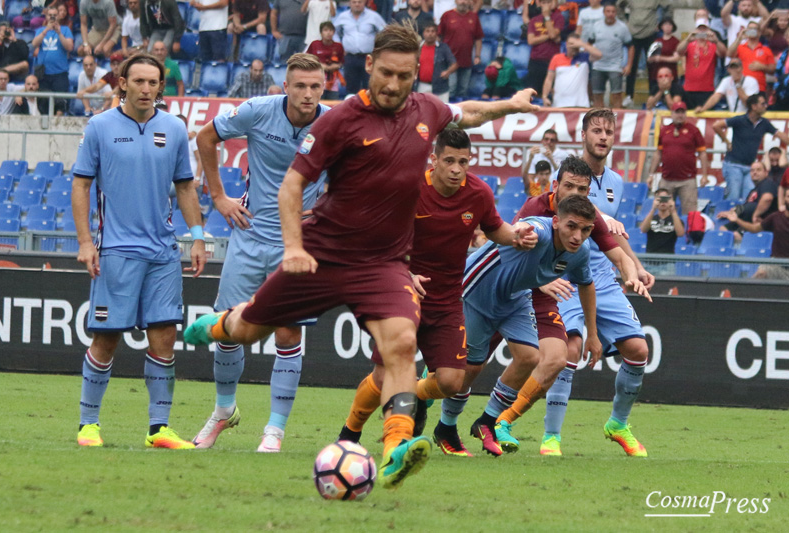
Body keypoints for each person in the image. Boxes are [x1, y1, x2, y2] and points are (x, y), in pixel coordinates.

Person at [184, 24, 541, 489]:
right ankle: (216, 325)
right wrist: (293, 247)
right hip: (323, 255)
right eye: (386, 73)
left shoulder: (428, 110)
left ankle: (395, 449)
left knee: (400, 344)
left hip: (383, 264)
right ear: (369, 65)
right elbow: (293, 184)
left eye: (405, 76)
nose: (393, 85)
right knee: (250, 329)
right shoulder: (339, 120)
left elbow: (466, 114)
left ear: (416, 75)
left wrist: (509, 105)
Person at [336, 128, 536, 451]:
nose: (457, 169)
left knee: (451, 382)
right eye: (449, 161)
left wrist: (516, 235)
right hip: (400, 297)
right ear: (434, 160)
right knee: (384, 375)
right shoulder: (409, 188)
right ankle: (350, 432)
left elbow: (495, 228)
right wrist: (405, 272)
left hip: (446, 303)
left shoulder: (479, 194)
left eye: (463, 162)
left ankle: (411, 394)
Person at [190, 54, 329, 452]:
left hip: (299, 244)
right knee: (228, 330)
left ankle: (275, 430)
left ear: (324, 88)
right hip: (250, 236)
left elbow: (352, 175)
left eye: (314, 86)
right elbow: (205, 137)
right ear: (285, 86)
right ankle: (223, 411)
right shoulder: (257, 111)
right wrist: (218, 197)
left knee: (288, 332)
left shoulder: (333, 124)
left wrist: (324, 208)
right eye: (299, 85)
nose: (306, 93)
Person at [72, 53, 206, 449]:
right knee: (107, 337)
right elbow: (81, 186)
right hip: (116, 250)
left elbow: (185, 186)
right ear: (123, 84)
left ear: (160, 86)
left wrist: (197, 236)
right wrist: (84, 242)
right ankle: (88, 425)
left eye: (154, 83)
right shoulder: (99, 127)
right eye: (140, 82)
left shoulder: (175, 129)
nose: (147, 89)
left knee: (163, 336)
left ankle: (158, 429)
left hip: (164, 253)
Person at [439, 192, 604, 457]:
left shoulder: (580, 253)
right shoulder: (539, 230)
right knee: (469, 369)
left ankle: (487, 421)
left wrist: (593, 334)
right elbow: (525, 228)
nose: (577, 235)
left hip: (515, 297)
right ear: (556, 222)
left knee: (529, 357)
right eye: (571, 226)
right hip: (478, 291)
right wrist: (520, 232)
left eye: (585, 230)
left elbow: (586, 285)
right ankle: (445, 427)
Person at [535, 108, 656, 457]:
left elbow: (613, 233)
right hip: (567, 274)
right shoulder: (569, 178)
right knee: (570, 350)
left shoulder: (617, 182)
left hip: (604, 276)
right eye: (596, 131)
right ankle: (551, 437)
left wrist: (635, 265)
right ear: (584, 135)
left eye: (608, 131)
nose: (603, 137)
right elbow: (571, 212)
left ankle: (618, 423)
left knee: (638, 350)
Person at [713, 93, 789, 200]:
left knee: (749, 198)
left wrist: (727, 142)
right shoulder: (739, 120)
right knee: (733, 198)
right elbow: (716, 126)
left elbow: (781, 136)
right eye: (762, 104)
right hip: (734, 165)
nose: (765, 106)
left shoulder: (764, 123)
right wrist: (726, 141)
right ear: (754, 106)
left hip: (749, 167)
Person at [647, 101, 709, 213]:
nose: (680, 115)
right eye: (677, 112)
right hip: (667, 179)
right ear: (672, 113)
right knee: (663, 212)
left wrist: (704, 175)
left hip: (687, 180)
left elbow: (702, 153)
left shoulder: (693, 130)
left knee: (690, 213)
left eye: (682, 112)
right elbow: (658, 153)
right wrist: (651, 174)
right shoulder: (664, 130)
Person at [617, 0, 672, 108]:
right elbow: (619, 5)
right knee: (631, 66)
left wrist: (662, 23)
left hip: (650, 33)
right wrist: (624, 20)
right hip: (633, 33)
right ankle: (629, 96)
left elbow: (668, 6)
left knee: (652, 67)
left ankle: (653, 96)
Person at [718, 187, 789, 263]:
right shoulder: (775, 217)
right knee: (761, 273)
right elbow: (754, 228)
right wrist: (737, 220)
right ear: (784, 198)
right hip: (777, 263)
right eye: (788, 196)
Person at [582, 3, 632, 109]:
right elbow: (589, 43)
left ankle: (617, 120)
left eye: (613, 12)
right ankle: (598, 121)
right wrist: (591, 56)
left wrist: (629, 65)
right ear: (604, 13)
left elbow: (631, 46)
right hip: (598, 65)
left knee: (617, 95)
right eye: (608, 11)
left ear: (616, 13)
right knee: (597, 95)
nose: (610, 14)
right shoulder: (596, 26)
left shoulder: (622, 27)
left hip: (615, 66)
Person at [332, 0, 386, 95]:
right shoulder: (342, 17)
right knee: (350, 87)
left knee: (369, 85)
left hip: (368, 57)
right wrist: (339, 46)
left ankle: (369, 108)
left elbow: (384, 32)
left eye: (359, 2)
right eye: (354, 2)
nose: (357, 4)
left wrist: (378, 48)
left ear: (364, 2)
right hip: (350, 57)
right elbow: (334, 32)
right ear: (349, 3)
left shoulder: (373, 16)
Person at [677, 15, 727, 110]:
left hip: (706, 89)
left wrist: (716, 41)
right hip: (689, 88)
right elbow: (679, 51)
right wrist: (688, 39)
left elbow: (724, 53)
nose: (702, 32)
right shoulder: (690, 44)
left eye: (704, 29)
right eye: (700, 29)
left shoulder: (712, 44)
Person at [717, 161, 779, 236]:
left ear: (766, 173)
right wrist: (730, 213)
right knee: (722, 229)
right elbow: (746, 206)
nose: (755, 172)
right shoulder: (753, 191)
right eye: (752, 170)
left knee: (735, 235)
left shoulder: (768, 183)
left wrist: (756, 215)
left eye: (758, 170)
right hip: (744, 221)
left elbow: (767, 199)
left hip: (759, 223)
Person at [32, 6, 74, 114]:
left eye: (54, 15)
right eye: (50, 15)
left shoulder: (65, 30)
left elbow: (69, 47)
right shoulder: (41, 30)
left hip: (60, 73)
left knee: (60, 103)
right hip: (44, 74)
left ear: (59, 16)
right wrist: (46, 30)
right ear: (46, 16)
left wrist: (59, 33)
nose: (52, 17)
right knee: (43, 102)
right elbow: (34, 44)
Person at [542, 32, 601, 108]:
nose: (573, 47)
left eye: (575, 45)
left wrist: (582, 44)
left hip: (580, 104)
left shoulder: (584, 57)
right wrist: (544, 97)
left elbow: (599, 55)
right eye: (571, 44)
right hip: (560, 103)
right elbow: (549, 79)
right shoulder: (557, 58)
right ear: (566, 44)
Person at [438, 0, 483, 100]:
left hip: (466, 61)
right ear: (456, 1)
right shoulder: (447, 15)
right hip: (449, 62)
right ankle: (448, 114)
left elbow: (478, 39)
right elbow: (439, 36)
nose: (463, 2)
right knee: (451, 89)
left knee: (463, 90)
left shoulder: (474, 17)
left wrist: (477, 55)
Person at [526, 0, 564, 97]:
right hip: (536, 60)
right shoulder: (534, 20)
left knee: (550, 92)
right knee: (534, 92)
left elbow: (552, 34)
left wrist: (547, 17)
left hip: (552, 60)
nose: (546, 5)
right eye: (543, 2)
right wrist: (550, 36)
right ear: (539, 4)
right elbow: (531, 40)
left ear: (553, 3)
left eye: (548, 2)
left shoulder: (558, 17)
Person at [727, 21, 775, 93]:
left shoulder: (766, 50)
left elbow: (773, 69)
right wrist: (739, 38)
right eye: (750, 29)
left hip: (760, 87)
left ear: (759, 33)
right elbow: (729, 54)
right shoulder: (740, 47)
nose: (752, 31)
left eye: (754, 29)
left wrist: (762, 67)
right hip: (742, 86)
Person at [416, 22, 456, 102]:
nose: (430, 34)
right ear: (423, 33)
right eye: (427, 31)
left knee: (443, 111)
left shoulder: (443, 48)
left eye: (432, 31)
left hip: (440, 88)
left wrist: (448, 72)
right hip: (421, 86)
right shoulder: (417, 48)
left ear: (436, 33)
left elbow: (454, 64)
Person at [639, 188, 685, 254]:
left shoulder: (676, 220)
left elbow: (680, 234)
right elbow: (643, 229)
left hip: (668, 258)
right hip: (650, 258)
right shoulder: (651, 218)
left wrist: (673, 210)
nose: (663, 202)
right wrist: (653, 209)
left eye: (665, 199)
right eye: (660, 199)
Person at [307, 21, 344, 100]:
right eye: (326, 30)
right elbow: (307, 60)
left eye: (331, 30)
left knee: (333, 105)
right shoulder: (315, 44)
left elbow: (342, 62)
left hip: (333, 80)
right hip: (317, 78)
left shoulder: (338, 46)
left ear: (334, 32)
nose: (328, 33)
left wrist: (336, 66)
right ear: (321, 33)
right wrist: (319, 65)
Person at [646, 17, 679, 94]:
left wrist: (661, 58)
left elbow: (676, 58)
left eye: (669, 24)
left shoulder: (675, 41)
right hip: (656, 73)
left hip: (671, 73)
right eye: (665, 24)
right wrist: (653, 58)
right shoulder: (657, 41)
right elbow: (649, 58)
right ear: (662, 27)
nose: (667, 26)